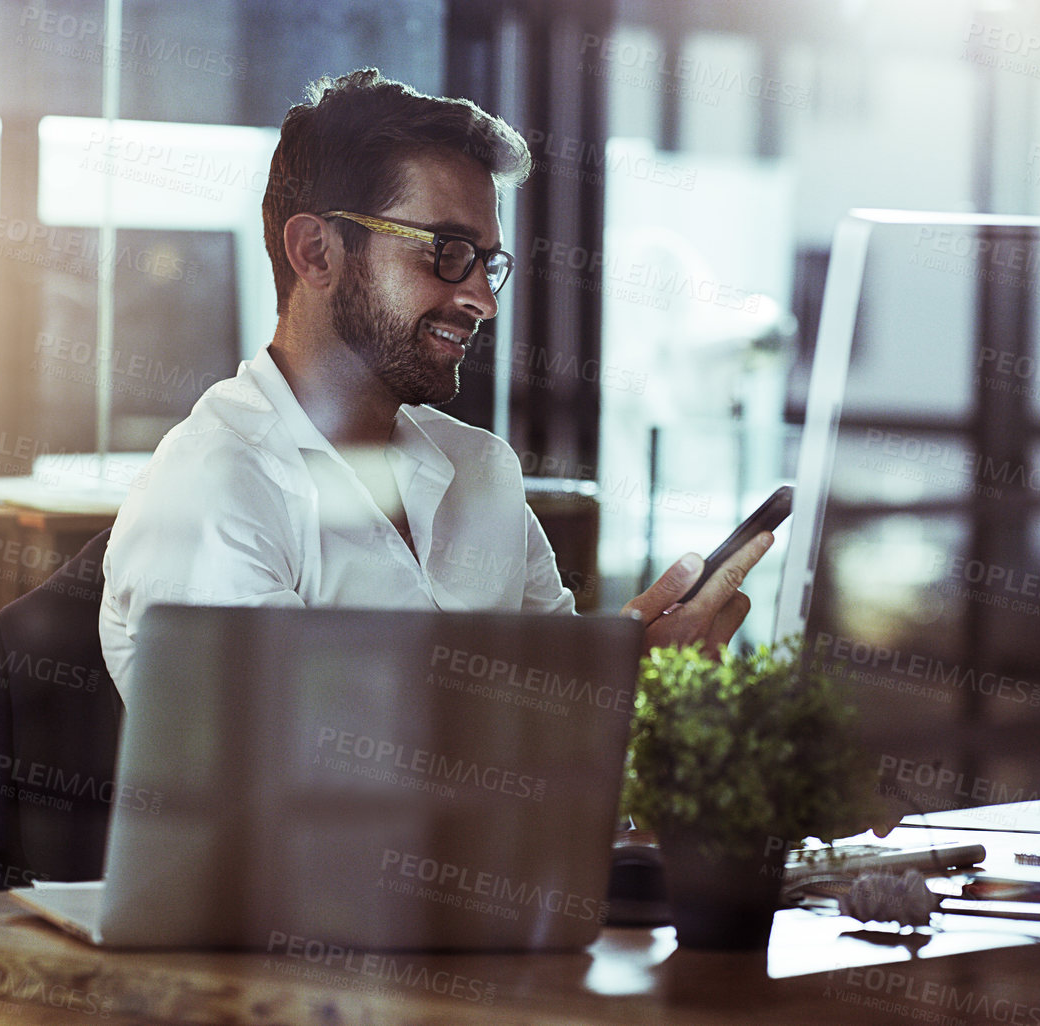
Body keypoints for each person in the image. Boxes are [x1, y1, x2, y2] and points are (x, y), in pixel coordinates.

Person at [99, 69, 770, 691]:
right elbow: (297, 777)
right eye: (446, 253)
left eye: (487, 262)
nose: (484, 299)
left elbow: (556, 732)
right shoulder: (211, 487)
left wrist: (641, 680)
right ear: (315, 251)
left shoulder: (481, 469)